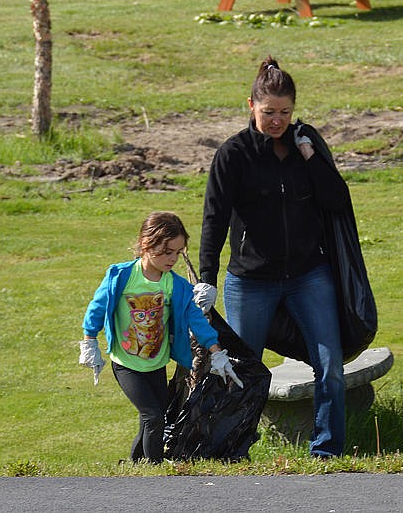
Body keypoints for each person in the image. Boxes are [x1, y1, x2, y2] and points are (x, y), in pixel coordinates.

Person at [196, 55, 351, 458]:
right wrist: (207, 278)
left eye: (285, 112)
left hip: (308, 274)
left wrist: (310, 157)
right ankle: (234, 447)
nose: (277, 120)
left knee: (330, 364)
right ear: (251, 105)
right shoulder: (234, 154)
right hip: (251, 280)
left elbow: (336, 199)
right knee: (241, 368)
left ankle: (327, 450)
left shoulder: (306, 145)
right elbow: (214, 218)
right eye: (269, 112)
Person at [79, 211, 243, 464]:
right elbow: (96, 309)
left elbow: (196, 320)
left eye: (178, 253)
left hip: (156, 363)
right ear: (147, 244)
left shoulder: (175, 285)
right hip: (126, 364)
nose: (173, 259)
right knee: (152, 417)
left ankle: (135, 466)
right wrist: (89, 341)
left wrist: (217, 352)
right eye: (167, 252)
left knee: (154, 418)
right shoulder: (121, 277)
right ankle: (156, 470)